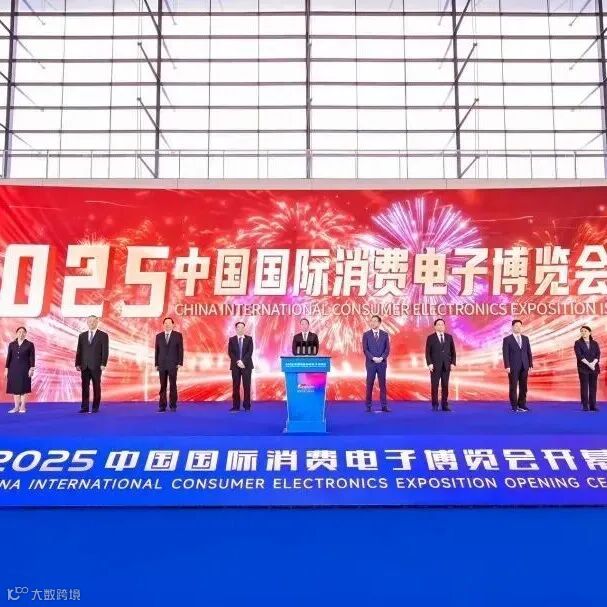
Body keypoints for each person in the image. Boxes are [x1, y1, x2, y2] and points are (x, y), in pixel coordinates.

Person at [75, 315, 109, 413]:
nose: (92, 323)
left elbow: (105, 351)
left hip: (96, 366)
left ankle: (95, 407)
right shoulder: (82, 336)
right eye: (90, 321)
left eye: (94, 321)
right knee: (84, 387)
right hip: (84, 365)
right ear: (87, 322)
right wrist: (77, 363)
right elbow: (79, 350)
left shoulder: (103, 335)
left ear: (97, 322)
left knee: (96, 387)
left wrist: (103, 363)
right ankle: (84, 407)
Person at [425, 318, 457, 412]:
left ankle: (444, 405)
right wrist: (429, 363)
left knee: (445, 386)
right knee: (434, 386)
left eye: (442, 324)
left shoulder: (449, 337)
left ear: (444, 326)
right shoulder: (430, 338)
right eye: (438, 324)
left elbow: (453, 351)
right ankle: (435, 405)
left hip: (446, 365)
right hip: (434, 366)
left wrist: (453, 363)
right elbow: (427, 352)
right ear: (435, 326)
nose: (440, 326)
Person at [502, 319, 533, 412]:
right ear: (512, 327)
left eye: (520, 326)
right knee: (513, 387)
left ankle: (522, 405)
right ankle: (514, 406)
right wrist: (507, 366)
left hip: (524, 366)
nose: (518, 328)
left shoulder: (525, 338)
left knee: (524, 387)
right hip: (513, 367)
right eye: (516, 326)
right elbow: (505, 354)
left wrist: (530, 364)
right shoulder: (507, 339)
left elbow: (529, 352)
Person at [154, 317, 184, 412]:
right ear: (163, 325)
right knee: (163, 386)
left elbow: (180, 349)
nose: (167, 325)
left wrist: (180, 362)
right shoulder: (158, 336)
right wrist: (156, 363)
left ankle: (173, 406)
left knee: (173, 385)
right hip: (162, 364)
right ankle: (162, 406)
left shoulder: (178, 335)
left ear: (173, 325)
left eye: (169, 323)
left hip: (173, 364)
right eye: (165, 323)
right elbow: (157, 351)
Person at [362, 315, 390, 413]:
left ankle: (384, 406)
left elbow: (387, 349)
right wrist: (373, 358)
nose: (372, 323)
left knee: (382, 385)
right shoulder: (366, 335)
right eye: (371, 321)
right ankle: (368, 406)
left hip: (382, 363)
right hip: (371, 363)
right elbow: (365, 349)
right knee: (369, 384)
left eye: (375, 321)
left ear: (379, 323)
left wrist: (381, 358)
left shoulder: (385, 335)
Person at [4, 327, 35, 414]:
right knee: (15, 388)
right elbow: (9, 357)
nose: (21, 334)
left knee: (23, 388)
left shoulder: (30, 344)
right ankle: (16, 407)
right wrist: (6, 369)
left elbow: (32, 357)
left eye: (23, 332)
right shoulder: (12, 344)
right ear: (16, 333)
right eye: (19, 332)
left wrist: (32, 368)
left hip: (25, 368)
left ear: (25, 333)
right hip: (13, 368)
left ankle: (23, 406)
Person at [228, 321, 254, 412]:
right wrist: (238, 362)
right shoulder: (232, 339)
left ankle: (247, 406)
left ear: (244, 328)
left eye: (242, 327)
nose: (241, 329)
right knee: (236, 386)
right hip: (235, 366)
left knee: (247, 386)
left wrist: (243, 361)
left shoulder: (249, 339)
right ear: (236, 328)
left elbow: (250, 352)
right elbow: (230, 353)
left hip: (247, 366)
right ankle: (236, 406)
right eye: (239, 327)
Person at [574, 325, 600, 412]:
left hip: (594, 367)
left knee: (593, 387)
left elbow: (598, 354)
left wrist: (593, 363)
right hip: (583, 368)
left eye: (585, 331)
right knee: (584, 387)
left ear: (590, 332)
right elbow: (579, 355)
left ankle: (593, 405)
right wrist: (589, 364)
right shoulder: (578, 343)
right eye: (582, 331)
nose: (583, 332)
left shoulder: (595, 343)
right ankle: (585, 405)